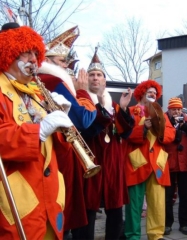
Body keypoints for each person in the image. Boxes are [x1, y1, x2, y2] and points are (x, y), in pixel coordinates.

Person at [0, 22, 75, 239]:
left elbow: (58, 152)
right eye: (26, 53)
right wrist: (38, 131)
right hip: (18, 201)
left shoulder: (37, 93)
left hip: (49, 200)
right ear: (8, 54)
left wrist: (63, 124)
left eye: (36, 52)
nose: (34, 59)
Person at [37, 26, 98, 239]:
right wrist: (83, 92)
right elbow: (85, 120)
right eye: (63, 62)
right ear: (50, 62)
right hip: (59, 157)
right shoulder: (53, 81)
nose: (67, 67)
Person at [76, 48, 134, 240]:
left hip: (112, 165)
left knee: (115, 210)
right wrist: (99, 107)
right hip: (89, 162)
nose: (95, 78)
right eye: (91, 75)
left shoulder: (114, 105)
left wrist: (124, 109)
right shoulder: (81, 102)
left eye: (98, 75)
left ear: (104, 79)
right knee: (87, 210)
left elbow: (125, 134)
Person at [124, 80, 175, 240]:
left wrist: (159, 129)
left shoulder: (162, 114)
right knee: (134, 205)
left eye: (155, 92)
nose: (153, 94)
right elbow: (125, 134)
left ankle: (156, 235)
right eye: (149, 92)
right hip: (136, 163)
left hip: (158, 163)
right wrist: (143, 128)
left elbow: (170, 135)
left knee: (157, 203)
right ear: (142, 94)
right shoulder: (131, 111)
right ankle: (133, 235)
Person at [163, 97, 187, 236]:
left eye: (179, 109)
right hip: (169, 161)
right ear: (169, 110)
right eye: (173, 109)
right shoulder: (163, 120)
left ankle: (184, 224)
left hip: (186, 162)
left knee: (185, 196)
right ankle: (167, 224)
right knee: (167, 196)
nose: (176, 111)